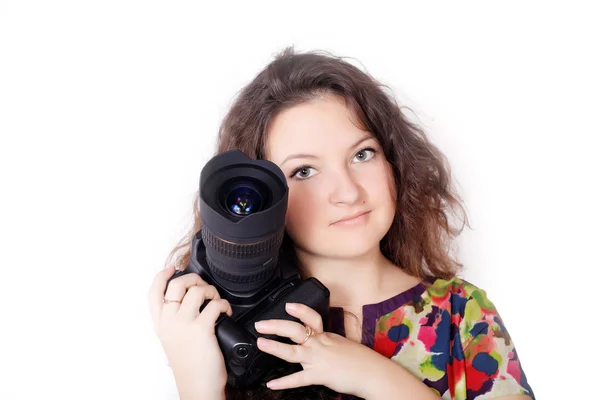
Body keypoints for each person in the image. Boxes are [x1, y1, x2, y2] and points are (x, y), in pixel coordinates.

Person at [148, 47, 535, 400]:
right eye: (303, 171)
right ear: (265, 198)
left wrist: (378, 380)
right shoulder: (232, 331)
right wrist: (196, 385)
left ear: (394, 161)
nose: (347, 192)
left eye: (362, 154)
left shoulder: (462, 313)